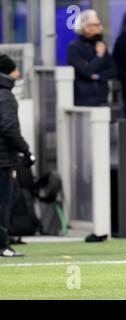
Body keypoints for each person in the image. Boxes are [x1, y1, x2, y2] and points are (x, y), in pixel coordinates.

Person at [0, 54, 35, 257]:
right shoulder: (5, 96)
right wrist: (26, 150)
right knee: (5, 201)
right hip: (3, 160)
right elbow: (10, 129)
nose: (18, 73)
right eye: (15, 70)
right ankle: (2, 245)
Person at [67, 9, 117, 107]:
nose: (100, 28)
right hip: (83, 101)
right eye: (96, 25)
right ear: (86, 28)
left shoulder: (101, 45)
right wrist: (99, 56)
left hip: (102, 99)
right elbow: (86, 71)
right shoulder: (74, 48)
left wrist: (98, 76)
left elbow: (114, 70)